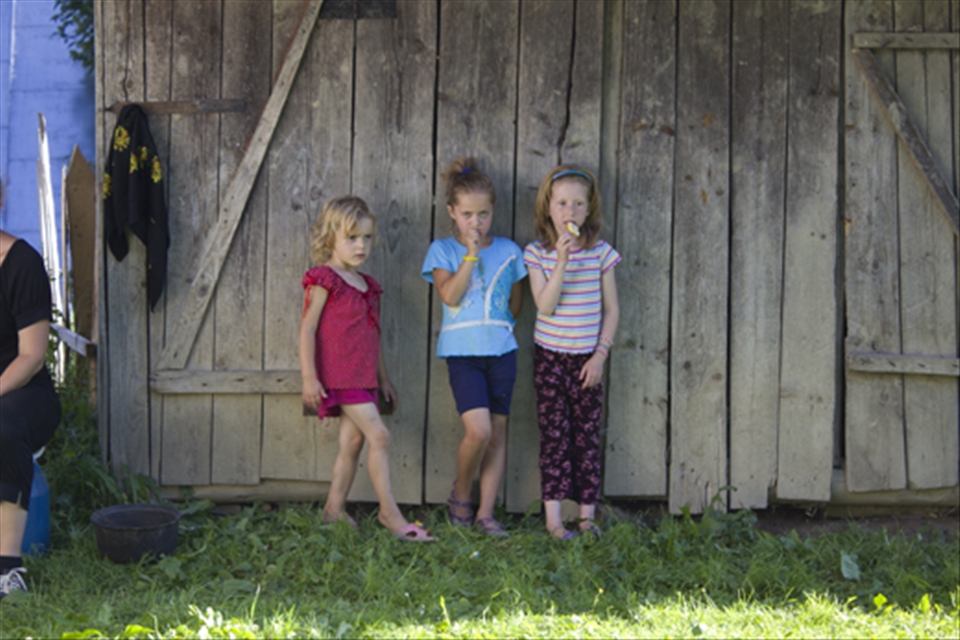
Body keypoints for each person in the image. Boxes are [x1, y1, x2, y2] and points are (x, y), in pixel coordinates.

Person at [299, 195, 434, 542]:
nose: (361, 245)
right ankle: (390, 514)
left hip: (363, 378)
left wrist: (383, 379)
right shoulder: (325, 279)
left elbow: (372, 337)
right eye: (352, 238)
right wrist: (310, 378)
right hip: (340, 376)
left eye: (367, 237)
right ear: (330, 238)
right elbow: (308, 329)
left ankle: (333, 510)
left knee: (353, 442)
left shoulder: (367, 286)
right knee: (380, 436)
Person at [421, 158, 527, 538]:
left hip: (501, 352)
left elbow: (515, 302)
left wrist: (498, 329)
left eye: (483, 214)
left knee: (497, 434)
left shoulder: (510, 251)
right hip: (463, 354)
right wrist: (470, 254)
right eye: (467, 214)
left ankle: (486, 513)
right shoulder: (443, 251)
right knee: (478, 431)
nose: (476, 222)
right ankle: (462, 492)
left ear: (493, 210)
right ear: (452, 212)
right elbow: (449, 296)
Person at [523, 165, 620, 540]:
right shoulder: (537, 254)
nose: (570, 211)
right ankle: (554, 521)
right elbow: (545, 306)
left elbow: (612, 309)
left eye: (579, 204)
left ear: (589, 209)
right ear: (548, 208)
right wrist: (561, 262)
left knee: (586, 440)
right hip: (550, 358)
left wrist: (600, 355)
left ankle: (586, 518)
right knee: (554, 439)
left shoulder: (600, 254)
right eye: (562, 203)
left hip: (586, 361)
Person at [0, 181, 62, 597]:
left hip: (24, 391)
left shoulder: (21, 262)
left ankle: (8, 569)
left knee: (1, 429)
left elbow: (32, 356)